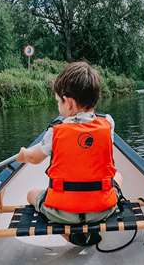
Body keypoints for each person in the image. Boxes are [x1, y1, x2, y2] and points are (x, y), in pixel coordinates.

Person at [16, 61, 122, 245]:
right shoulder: (109, 124)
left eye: (58, 102)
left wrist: (24, 154)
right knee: (118, 176)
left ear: (70, 103)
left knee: (31, 194)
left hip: (62, 212)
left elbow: (34, 158)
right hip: (103, 208)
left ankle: (72, 236)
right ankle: (90, 227)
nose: (58, 106)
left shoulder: (55, 131)